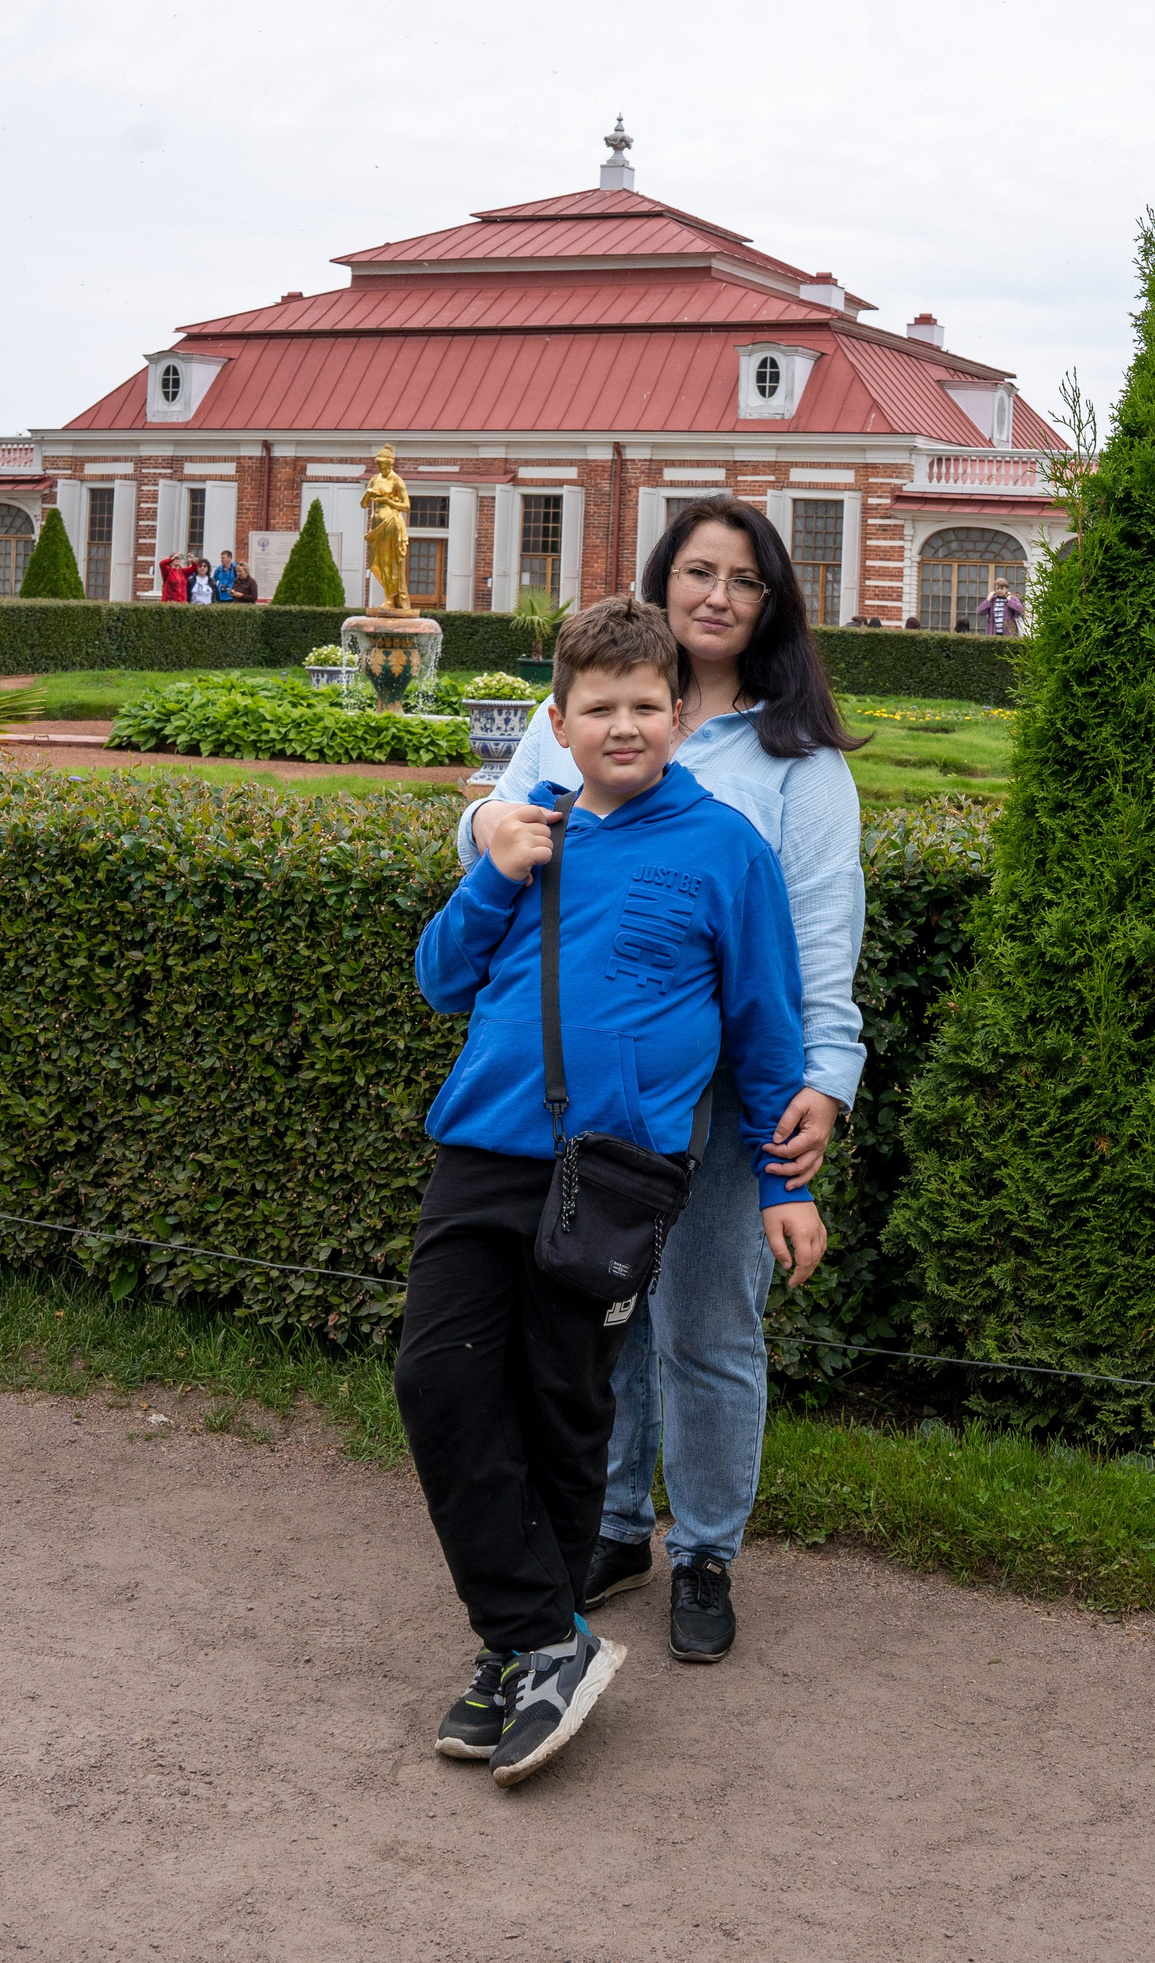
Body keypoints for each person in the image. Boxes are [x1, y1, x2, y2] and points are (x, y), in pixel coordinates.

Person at [400, 594, 822, 1789]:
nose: (624, 724)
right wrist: (494, 867)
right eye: (600, 707)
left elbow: (763, 1031)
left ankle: (516, 1645)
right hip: (481, 1149)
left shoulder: (725, 850)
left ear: (679, 716)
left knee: (559, 1404)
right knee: (435, 1379)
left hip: (616, 1175)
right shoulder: (525, 828)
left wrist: (787, 1186)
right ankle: (545, 1634)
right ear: (560, 718)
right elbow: (440, 979)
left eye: (646, 704)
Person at [460, 493, 867, 1665]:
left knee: (707, 1322)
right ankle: (616, 1523)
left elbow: (818, 938)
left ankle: (706, 1551)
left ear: (772, 601)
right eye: (697, 571)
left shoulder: (797, 759)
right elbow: (496, 831)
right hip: (602, 1093)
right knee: (601, 1311)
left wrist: (822, 1081)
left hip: (736, 1093)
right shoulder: (599, 694)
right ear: (662, 579)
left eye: (744, 580)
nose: (717, 596)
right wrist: (489, 819)